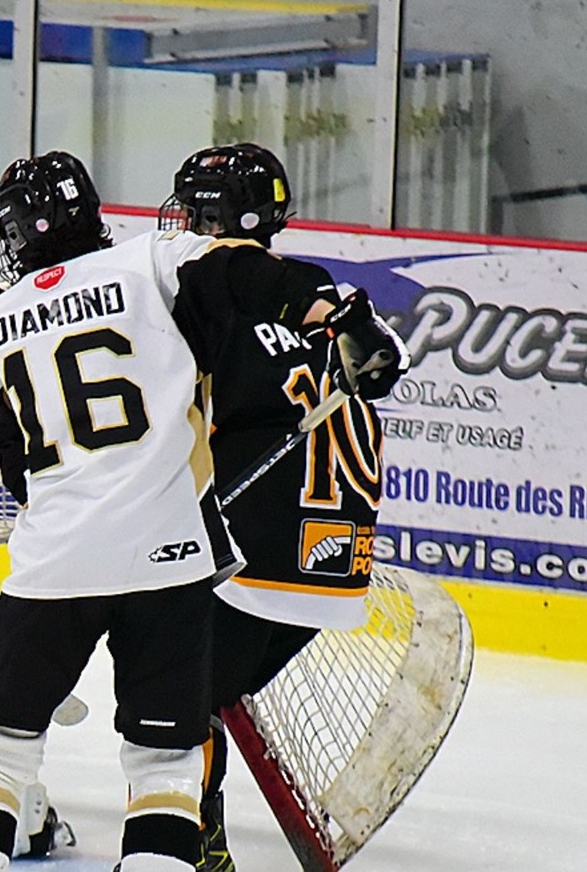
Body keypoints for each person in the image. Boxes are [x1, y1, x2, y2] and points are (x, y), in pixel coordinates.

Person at [0, 151, 405, 872]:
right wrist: (335, 312)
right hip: (172, 564)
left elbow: (15, 468)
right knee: (163, 772)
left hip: (55, 565)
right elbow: (249, 274)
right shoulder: (149, 266)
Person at [154, 143, 409, 871]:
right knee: (200, 680)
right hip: (339, 570)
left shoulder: (206, 299)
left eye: (194, 208)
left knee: (169, 693)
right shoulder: (314, 288)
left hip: (255, 559)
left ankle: (191, 849)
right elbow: (387, 364)